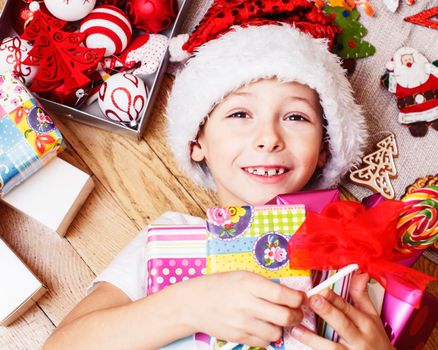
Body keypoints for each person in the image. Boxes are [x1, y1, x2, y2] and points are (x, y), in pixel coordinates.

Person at [43, 1, 394, 349]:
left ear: (323, 151)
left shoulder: (351, 266)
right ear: (197, 141)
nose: (269, 138)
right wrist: (187, 307)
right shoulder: (170, 238)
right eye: (240, 114)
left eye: (296, 117)